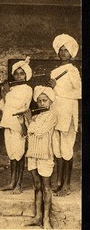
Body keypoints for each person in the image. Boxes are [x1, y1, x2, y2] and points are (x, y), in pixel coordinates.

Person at [47, 34, 81, 196]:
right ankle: (58, 182)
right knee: (57, 149)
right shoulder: (54, 71)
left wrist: (56, 88)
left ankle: (66, 184)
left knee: (67, 149)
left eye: (66, 50)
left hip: (68, 112)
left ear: (72, 53)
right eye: (61, 50)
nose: (63, 53)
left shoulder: (73, 71)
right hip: (56, 112)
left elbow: (79, 92)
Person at [0, 57, 33, 194]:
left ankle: (19, 184)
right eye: (16, 73)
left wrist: (7, 93)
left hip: (19, 124)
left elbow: (17, 106)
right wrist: (2, 93)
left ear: (26, 75)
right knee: (12, 155)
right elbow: (4, 107)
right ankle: (12, 182)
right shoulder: (12, 89)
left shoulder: (27, 89)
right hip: (8, 123)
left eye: (21, 73)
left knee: (20, 155)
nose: (18, 76)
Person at [25, 86, 57, 229]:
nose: (42, 103)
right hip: (32, 155)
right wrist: (23, 121)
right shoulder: (36, 116)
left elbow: (39, 132)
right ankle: (37, 216)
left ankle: (46, 219)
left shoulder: (52, 116)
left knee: (46, 187)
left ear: (50, 102)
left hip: (44, 156)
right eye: (39, 101)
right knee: (37, 186)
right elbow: (27, 133)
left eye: (45, 101)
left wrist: (29, 121)